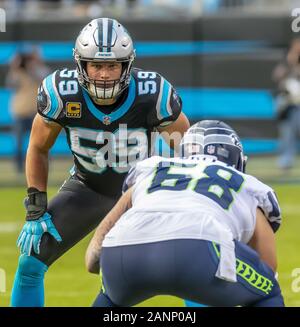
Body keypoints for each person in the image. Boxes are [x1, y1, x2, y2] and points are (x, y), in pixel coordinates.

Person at [11, 17, 190, 307]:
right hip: (87, 188)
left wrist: (179, 193)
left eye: (112, 65)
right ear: (81, 65)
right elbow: (37, 147)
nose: (105, 74)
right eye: (96, 65)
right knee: (30, 261)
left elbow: (186, 148)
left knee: (190, 259)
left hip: (140, 194)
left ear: (127, 66)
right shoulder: (62, 93)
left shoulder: (151, 94)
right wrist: (35, 206)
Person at [86, 120, 284, 307]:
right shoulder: (247, 184)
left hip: (121, 246)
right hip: (198, 244)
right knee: (269, 291)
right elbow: (267, 267)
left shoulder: (152, 169)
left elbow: (97, 247)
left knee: (110, 297)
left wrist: (103, 265)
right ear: (236, 159)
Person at [5, 48, 50, 173]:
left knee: (42, 142)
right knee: (18, 144)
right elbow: (10, 85)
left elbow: (44, 79)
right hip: (20, 113)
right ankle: (19, 170)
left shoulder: (41, 70)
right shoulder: (17, 73)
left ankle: (42, 167)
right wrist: (14, 67)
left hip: (37, 113)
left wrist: (33, 67)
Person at [272, 38, 300, 170]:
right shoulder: (286, 63)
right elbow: (277, 76)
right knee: (287, 133)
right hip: (288, 103)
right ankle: (285, 161)